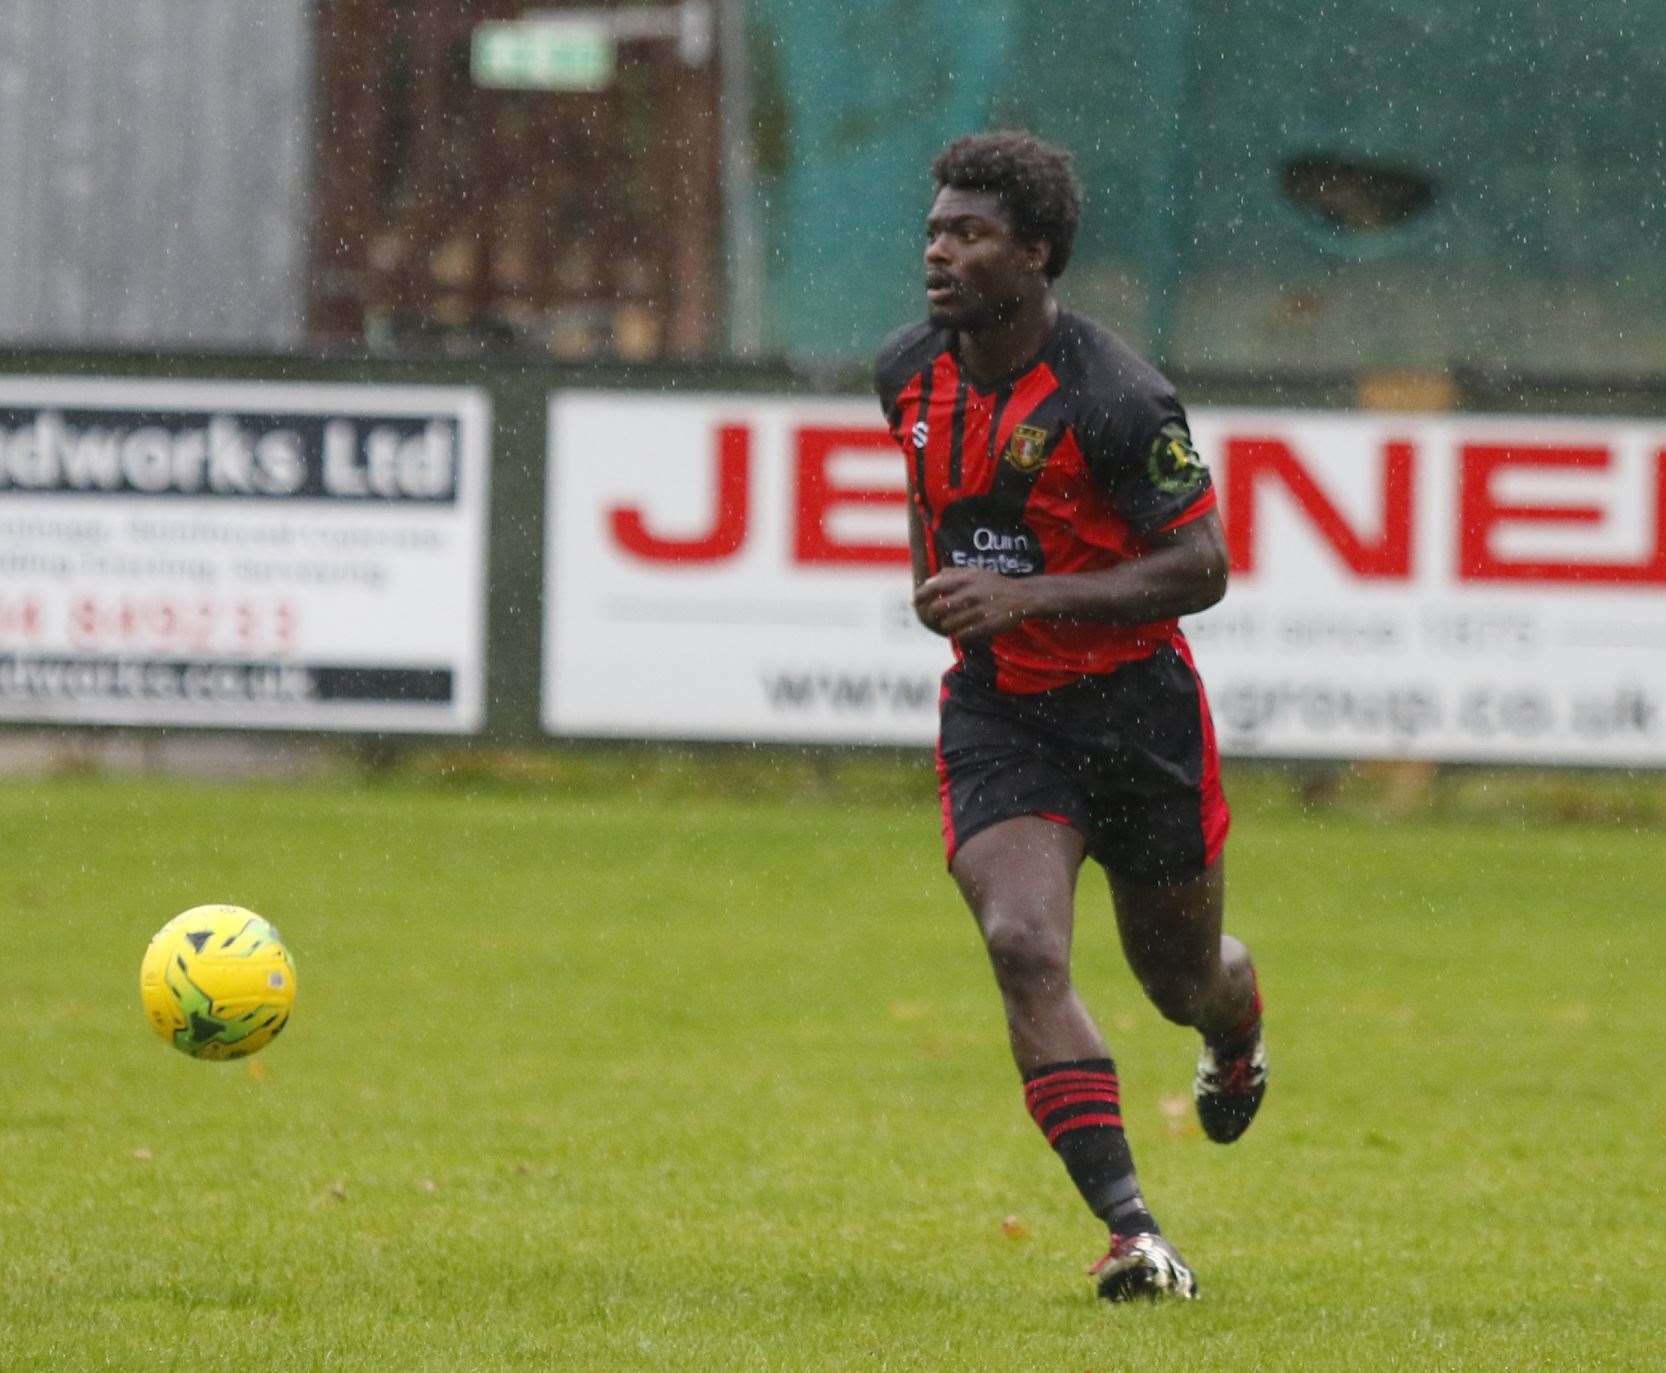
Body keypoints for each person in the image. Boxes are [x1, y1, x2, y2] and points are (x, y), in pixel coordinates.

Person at [873, 131, 1266, 1303]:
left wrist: (1024, 594)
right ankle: (1133, 1232)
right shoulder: (906, 367)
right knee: (1021, 942)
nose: (938, 249)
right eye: (935, 228)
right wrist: (940, 583)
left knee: (1180, 977)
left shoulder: (1117, 395)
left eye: (969, 232)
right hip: (1005, 713)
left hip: (1139, 715)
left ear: (1034, 254)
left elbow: (1201, 566)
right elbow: (924, 482)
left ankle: (1233, 1033)